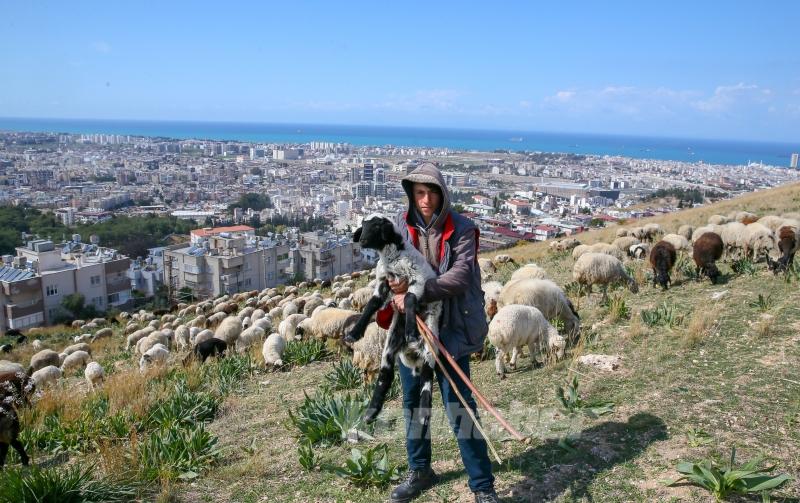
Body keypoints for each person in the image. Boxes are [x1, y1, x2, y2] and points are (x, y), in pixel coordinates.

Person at [384, 162, 498, 503]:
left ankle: (482, 486)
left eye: (431, 192)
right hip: (412, 332)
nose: (425, 199)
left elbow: (462, 275)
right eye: (419, 192)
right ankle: (420, 470)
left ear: (442, 194)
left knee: (459, 405)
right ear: (411, 195)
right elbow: (391, 270)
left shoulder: (462, 228)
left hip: (451, 330)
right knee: (414, 403)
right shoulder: (400, 229)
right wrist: (395, 284)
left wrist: (418, 291)